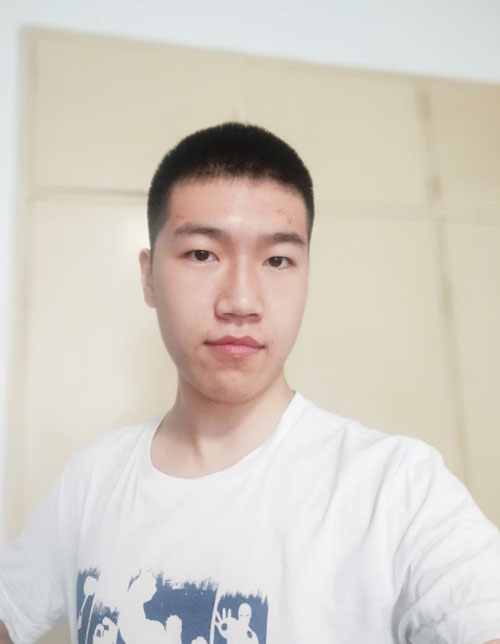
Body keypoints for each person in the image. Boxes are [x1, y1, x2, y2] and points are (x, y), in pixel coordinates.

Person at [0, 122, 499, 643]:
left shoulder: (397, 489)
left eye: (277, 260)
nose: (241, 301)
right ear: (148, 277)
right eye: (202, 254)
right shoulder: (93, 480)